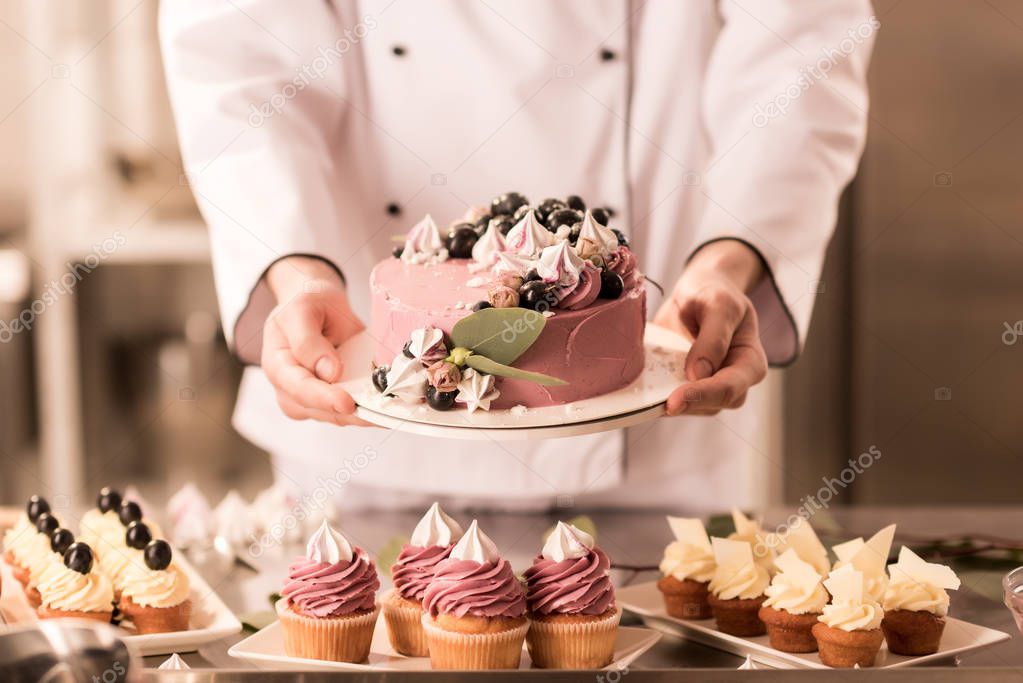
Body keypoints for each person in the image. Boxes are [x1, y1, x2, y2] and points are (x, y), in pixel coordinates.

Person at [159, 1, 875, 512]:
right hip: (365, 423)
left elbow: (800, 43)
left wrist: (728, 258)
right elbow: (235, 55)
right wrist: (296, 267)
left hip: (656, 421)